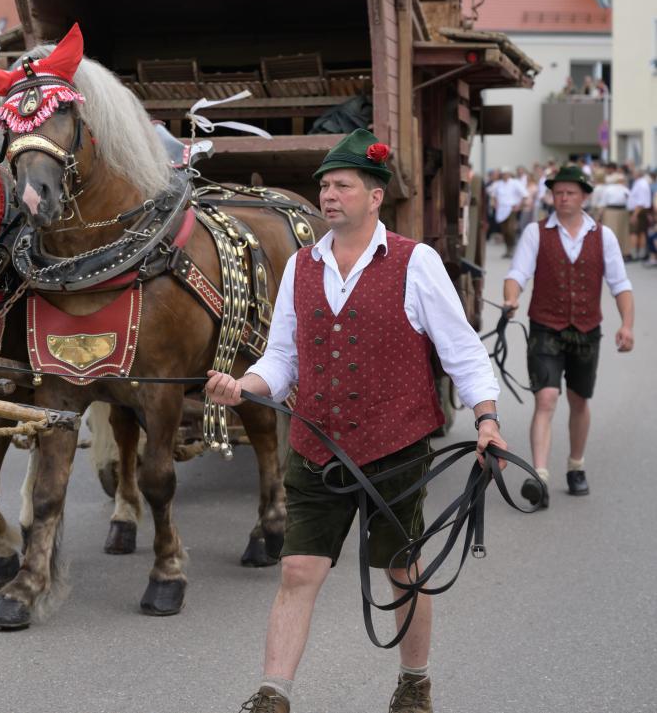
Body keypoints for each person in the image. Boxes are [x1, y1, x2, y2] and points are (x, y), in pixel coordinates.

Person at [206, 130, 505, 713]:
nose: (329, 195)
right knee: (296, 569)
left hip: (396, 445)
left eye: (342, 185)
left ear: (375, 197)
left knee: (400, 571)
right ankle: (274, 694)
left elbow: (463, 352)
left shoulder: (416, 263)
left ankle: (414, 681)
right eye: (324, 186)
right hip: (317, 444)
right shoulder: (300, 265)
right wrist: (244, 385)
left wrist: (486, 419)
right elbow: (283, 358)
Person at [502, 164, 633, 509]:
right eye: (558, 192)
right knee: (545, 398)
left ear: (584, 196)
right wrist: (512, 297)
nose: (562, 198)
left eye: (570, 192)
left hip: (587, 330)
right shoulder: (536, 232)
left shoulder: (603, 236)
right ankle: (540, 476)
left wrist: (627, 324)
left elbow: (620, 284)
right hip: (546, 326)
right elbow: (518, 271)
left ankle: (576, 465)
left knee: (578, 401)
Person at [492, 167, 528, 257]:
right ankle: (508, 249)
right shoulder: (498, 184)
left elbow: (525, 195)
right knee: (504, 231)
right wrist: (495, 204)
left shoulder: (515, 183)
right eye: (503, 174)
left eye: (506, 174)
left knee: (510, 230)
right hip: (501, 210)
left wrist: (519, 206)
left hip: (511, 209)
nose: (505, 176)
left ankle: (512, 248)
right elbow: (493, 196)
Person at [599, 170, 631, 258]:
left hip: (610, 211)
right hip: (622, 211)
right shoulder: (625, 189)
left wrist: (599, 216)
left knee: (611, 232)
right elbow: (630, 202)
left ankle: (610, 252)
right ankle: (623, 252)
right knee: (623, 233)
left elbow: (602, 203)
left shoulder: (608, 189)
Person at [626, 167, 651, 262]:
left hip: (638, 210)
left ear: (638, 174)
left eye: (633, 172)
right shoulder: (640, 183)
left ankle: (634, 254)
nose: (632, 174)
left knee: (634, 232)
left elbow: (640, 202)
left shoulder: (641, 184)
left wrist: (634, 215)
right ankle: (641, 253)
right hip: (640, 210)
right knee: (641, 232)